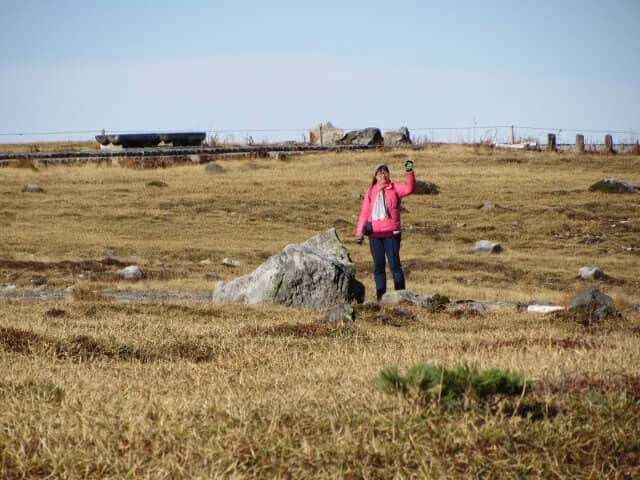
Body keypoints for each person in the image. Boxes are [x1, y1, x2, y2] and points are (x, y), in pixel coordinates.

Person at [356, 160, 415, 301]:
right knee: (379, 266)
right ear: (375, 176)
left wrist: (409, 172)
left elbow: (410, 189)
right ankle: (380, 296)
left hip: (392, 234)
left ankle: (401, 295)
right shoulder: (370, 192)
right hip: (375, 235)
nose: (382, 175)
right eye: (379, 173)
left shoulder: (395, 188)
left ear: (388, 174)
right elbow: (364, 213)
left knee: (395, 264)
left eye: (385, 172)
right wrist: (359, 234)